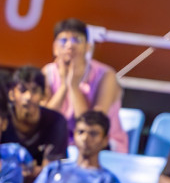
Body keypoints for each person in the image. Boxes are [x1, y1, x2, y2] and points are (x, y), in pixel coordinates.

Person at [42, 22, 126, 154]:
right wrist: (64, 86)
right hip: (61, 144)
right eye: (63, 40)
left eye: (76, 40)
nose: (70, 45)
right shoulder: (48, 73)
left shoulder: (105, 75)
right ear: (54, 48)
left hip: (101, 145)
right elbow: (44, 120)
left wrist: (74, 86)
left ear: (88, 47)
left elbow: (93, 126)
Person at [5, 71, 69, 173]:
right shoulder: (1, 119)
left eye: (34, 91)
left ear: (43, 95)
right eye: (23, 90)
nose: (28, 97)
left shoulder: (56, 121)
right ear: (11, 94)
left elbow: (52, 172)